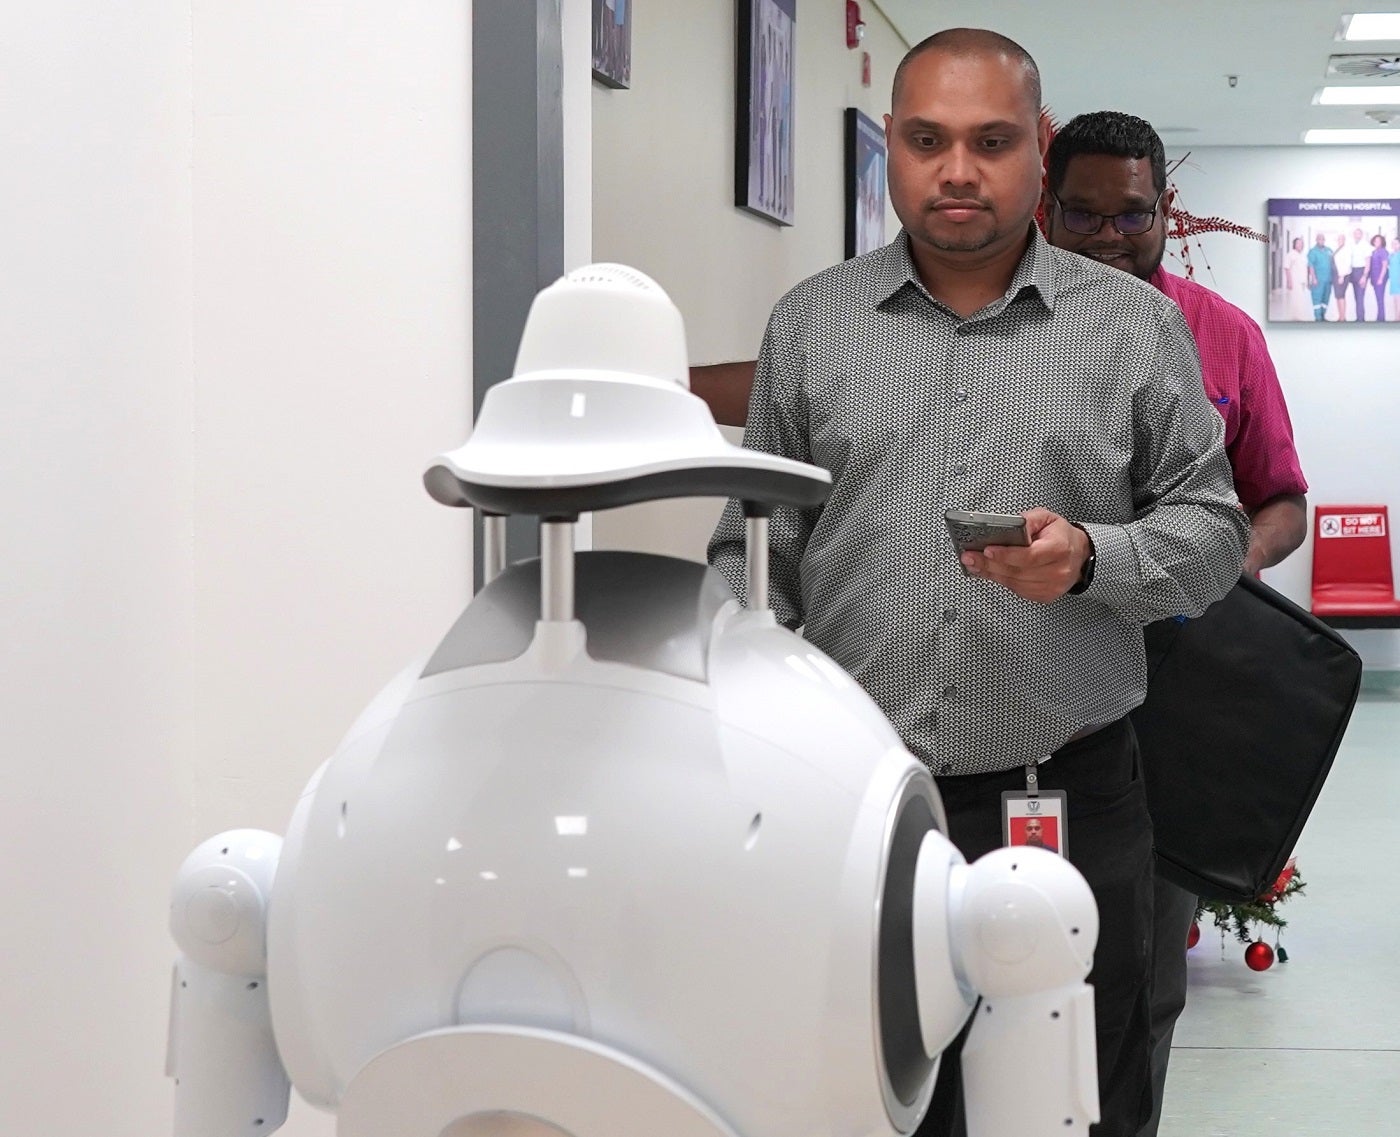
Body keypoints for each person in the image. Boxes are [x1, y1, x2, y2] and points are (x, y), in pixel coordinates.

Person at [706, 30, 1248, 1137]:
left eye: (991, 142)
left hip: (1067, 800)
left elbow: (1211, 530)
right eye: (927, 141)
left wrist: (1092, 559)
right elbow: (751, 549)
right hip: (854, 804)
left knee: (1077, 1107)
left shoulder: (1133, 327)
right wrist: (747, 677)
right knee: (873, 1101)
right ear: (892, 147)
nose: (957, 171)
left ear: (1037, 151)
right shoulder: (811, 325)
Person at [1043, 110, 1309, 1137]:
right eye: (1083, 215)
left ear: (1166, 210)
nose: (1109, 237)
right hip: (1017, 681)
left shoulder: (1223, 337)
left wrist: (1229, 556)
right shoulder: (993, 328)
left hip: (1171, 697)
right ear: (1046, 210)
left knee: (1144, 974)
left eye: (1132, 215)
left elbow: (1279, 497)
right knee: (991, 959)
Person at [1306, 232, 1336, 321]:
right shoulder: (1313, 251)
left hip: (1328, 280)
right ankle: (1318, 318)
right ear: (1316, 240)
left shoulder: (1329, 250)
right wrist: (1314, 278)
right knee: (1317, 299)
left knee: (1325, 299)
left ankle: (1323, 316)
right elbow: (1311, 266)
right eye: (1319, 239)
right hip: (1318, 280)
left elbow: (1334, 263)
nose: (1321, 241)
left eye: (1323, 239)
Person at [1283, 237, 1308, 320]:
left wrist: (1307, 281)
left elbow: (1305, 268)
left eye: (1301, 243)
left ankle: (1298, 317)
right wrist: (1289, 281)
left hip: (1302, 281)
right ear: (1294, 244)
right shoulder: (1291, 254)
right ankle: (1297, 317)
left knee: (1301, 300)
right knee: (1296, 300)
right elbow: (1287, 268)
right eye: (1298, 243)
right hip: (1295, 281)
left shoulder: (1303, 255)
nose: (1300, 245)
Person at [1367, 233, 1389, 322]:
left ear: (1382, 242)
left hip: (1380, 279)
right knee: (1378, 299)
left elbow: (1384, 266)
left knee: (1380, 299)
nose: (1376, 242)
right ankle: (1379, 318)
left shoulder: (1383, 251)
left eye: (1379, 241)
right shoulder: (1373, 252)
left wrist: (1380, 278)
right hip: (1374, 278)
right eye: (1375, 241)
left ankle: (1381, 319)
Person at [1332, 233, 1350, 322]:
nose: (1340, 241)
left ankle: (1343, 317)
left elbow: (1347, 264)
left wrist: (1342, 276)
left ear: (1344, 240)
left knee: (1341, 296)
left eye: (1342, 239)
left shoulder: (1346, 250)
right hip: (1336, 275)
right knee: (1338, 296)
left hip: (1342, 276)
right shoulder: (1337, 249)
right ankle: (1340, 316)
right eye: (1339, 239)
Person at [1390, 235, 1400, 322]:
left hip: (1398, 280)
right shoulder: (1391, 255)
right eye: (1392, 243)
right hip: (1393, 281)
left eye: (1396, 243)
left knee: (1398, 300)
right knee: (1395, 300)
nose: (1394, 245)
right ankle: (1396, 318)